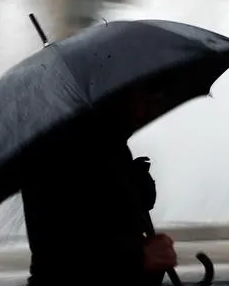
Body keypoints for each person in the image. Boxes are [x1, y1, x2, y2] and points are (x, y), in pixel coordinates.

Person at [21, 87, 177, 285]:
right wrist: (141, 257)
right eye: (136, 98)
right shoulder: (66, 154)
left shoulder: (107, 146)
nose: (144, 110)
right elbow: (65, 252)